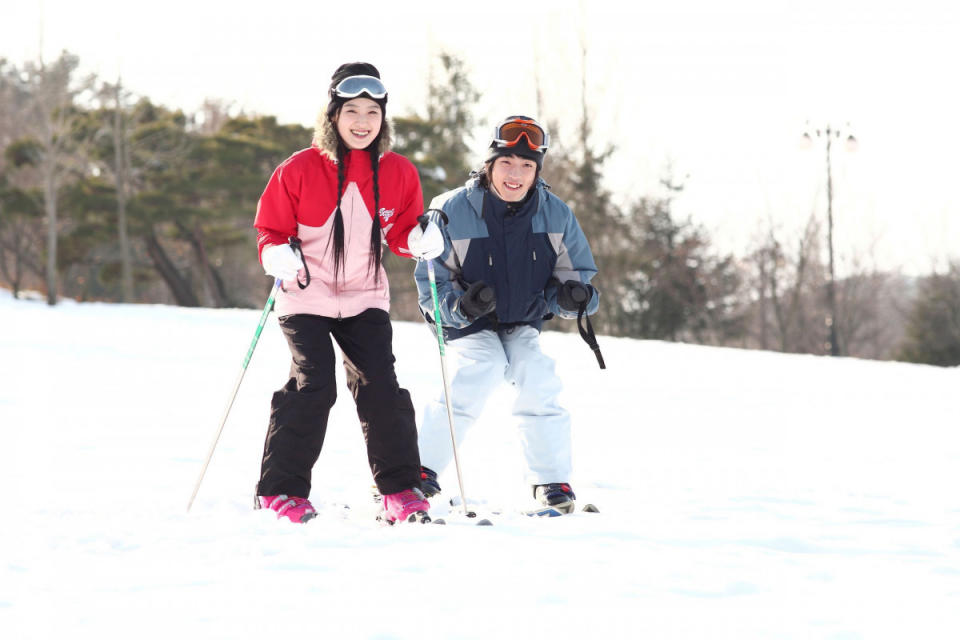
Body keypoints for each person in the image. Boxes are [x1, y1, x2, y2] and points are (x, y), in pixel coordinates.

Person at [252, 62, 445, 524]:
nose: (362, 122)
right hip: (304, 297)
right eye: (352, 111)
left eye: (372, 112)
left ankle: (400, 489)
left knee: (380, 385)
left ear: (383, 119)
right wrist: (275, 255)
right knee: (313, 385)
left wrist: (418, 242)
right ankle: (282, 491)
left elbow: (401, 231)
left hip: (364, 297)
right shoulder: (299, 168)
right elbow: (270, 229)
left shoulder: (397, 172)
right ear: (333, 115)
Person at [414, 115, 600, 513]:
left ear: (537, 171)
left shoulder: (556, 215)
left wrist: (572, 297)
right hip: (464, 323)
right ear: (489, 165)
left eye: (527, 166)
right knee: (479, 368)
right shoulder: (450, 210)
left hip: (521, 319)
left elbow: (580, 283)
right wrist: (461, 307)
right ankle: (420, 470)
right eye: (506, 164)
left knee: (537, 373)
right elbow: (430, 287)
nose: (515, 174)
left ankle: (552, 481)